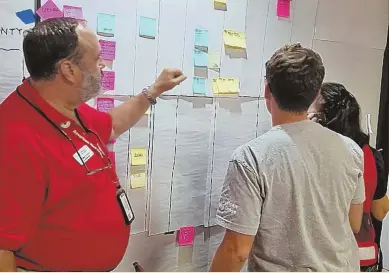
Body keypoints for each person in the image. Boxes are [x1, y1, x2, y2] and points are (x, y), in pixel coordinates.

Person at [0, 18, 186, 271]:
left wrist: (154, 91)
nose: (103, 66)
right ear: (69, 70)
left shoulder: (64, 107)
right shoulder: (15, 139)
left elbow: (111, 124)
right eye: (97, 59)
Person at [210, 43, 365, 272]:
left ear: (267, 91)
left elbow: (236, 250)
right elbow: (354, 223)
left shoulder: (251, 158)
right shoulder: (351, 149)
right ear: (315, 94)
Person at [308, 82, 389, 271]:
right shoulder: (371, 156)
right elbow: (379, 211)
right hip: (363, 257)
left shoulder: (313, 155)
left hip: (321, 258)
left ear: (320, 119)